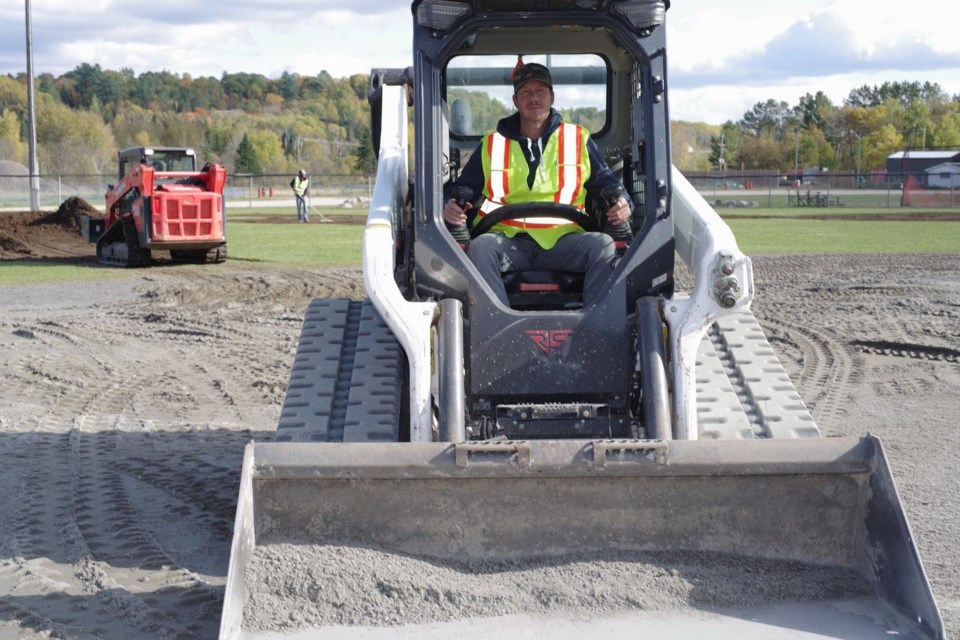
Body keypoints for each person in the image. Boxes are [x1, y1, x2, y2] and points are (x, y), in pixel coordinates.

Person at [442, 61, 632, 308]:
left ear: (552, 97)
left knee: (602, 245)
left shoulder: (578, 139)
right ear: (515, 100)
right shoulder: (492, 144)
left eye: (540, 91)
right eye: (526, 92)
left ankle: (596, 325)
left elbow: (607, 183)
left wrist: (623, 203)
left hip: (566, 242)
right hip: (508, 242)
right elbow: (459, 189)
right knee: (480, 247)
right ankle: (496, 327)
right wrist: (449, 204)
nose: (534, 98)